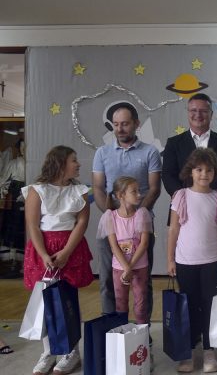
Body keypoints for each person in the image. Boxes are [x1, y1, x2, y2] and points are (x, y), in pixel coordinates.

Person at [23, 146, 93, 375]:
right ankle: (49, 351)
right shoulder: (37, 190)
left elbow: (81, 223)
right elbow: (33, 225)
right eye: (74, 160)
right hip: (43, 249)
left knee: (68, 300)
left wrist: (66, 252)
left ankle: (71, 352)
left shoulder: (80, 191)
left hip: (69, 249)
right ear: (61, 163)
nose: (78, 164)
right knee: (46, 301)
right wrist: (44, 255)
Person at [92, 102, 161, 324]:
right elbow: (98, 188)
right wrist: (112, 214)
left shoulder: (150, 151)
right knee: (108, 278)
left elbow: (154, 188)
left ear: (136, 124)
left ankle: (143, 330)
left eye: (125, 124)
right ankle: (112, 326)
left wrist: (138, 214)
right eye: (116, 124)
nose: (120, 129)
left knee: (143, 279)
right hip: (111, 224)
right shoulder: (102, 153)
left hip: (142, 224)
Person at [166, 148, 217, 373]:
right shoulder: (181, 196)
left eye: (209, 170)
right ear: (190, 171)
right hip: (185, 262)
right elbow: (173, 229)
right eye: (199, 169)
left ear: (215, 173)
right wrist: (170, 259)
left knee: (210, 306)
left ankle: (209, 352)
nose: (204, 174)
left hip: (213, 261)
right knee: (190, 306)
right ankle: (190, 352)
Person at [97, 176, 152, 326]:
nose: (139, 194)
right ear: (121, 195)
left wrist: (130, 267)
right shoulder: (110, 217)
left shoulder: (142, 214)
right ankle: (123, 334)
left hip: (139, 267)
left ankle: (142, 335)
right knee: (120, 304)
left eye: (139, 191)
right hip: (119, 268)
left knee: (141, 304)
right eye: (134, 191)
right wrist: (126, 268)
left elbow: (144, 244)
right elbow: (113, 246)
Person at [162, 93, 217, 200]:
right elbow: (168, 175)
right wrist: (182, 197)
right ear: (188, 113)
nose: (198, 115)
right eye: (193, 110)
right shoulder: (173, 143)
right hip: (183, 204)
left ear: (211, 114)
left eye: (203, 111)